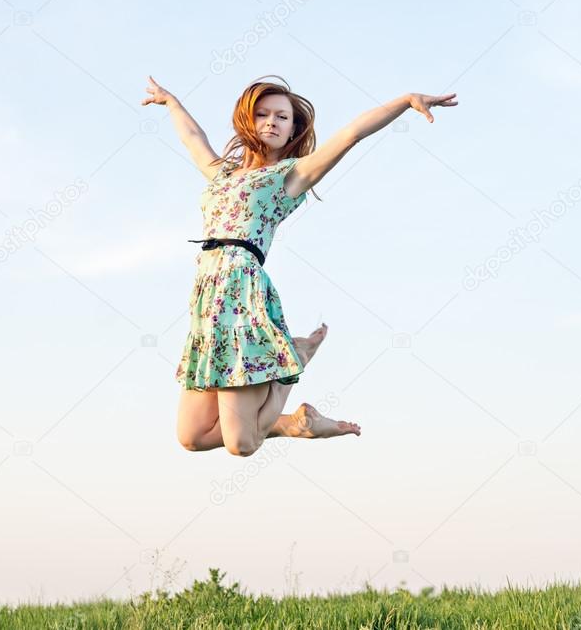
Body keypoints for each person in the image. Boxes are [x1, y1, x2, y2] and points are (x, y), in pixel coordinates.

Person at [141, 74, 458, 456]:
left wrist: (405, 100)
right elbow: (193, 139)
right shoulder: (222, 174)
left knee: (241, 445)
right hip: (208, 301)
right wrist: (171, 102)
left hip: (241, 295)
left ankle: (296, 363)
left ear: (294, 128)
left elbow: (352, 134)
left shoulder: (291, 176)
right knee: (192, 437)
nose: (271, 122)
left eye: (282, 117)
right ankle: (289, 422)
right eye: (263, 114)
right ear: (247, 120)